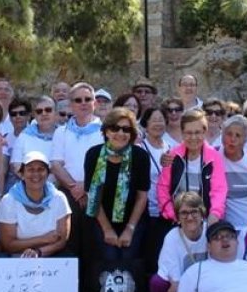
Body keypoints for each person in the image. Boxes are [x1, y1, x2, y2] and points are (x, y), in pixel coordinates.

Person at [85, 107, 151, 259]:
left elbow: (142, 196)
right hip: (100, 218)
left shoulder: (140, 156)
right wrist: (107, 229)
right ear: (106, 131)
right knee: (109, 257)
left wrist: (130, 228)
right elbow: (93, 196)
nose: (120, 133)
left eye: (126, 129)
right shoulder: (93, 154)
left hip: (132, 219)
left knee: (129, 258)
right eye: (115, 128)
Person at [50, 82, 104, 261]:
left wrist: (86, 188)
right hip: (69, 194)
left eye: (87, 99)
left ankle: (91, 287)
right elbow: (56, 164)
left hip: (97, 193)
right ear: (71, 104)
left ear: (94, 103)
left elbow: (105, 164)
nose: (83, 103)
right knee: (70, 243)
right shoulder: (61, 132)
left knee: (94, 244)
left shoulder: (105, 131)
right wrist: (75, 188)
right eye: (78, 100)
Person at [158, 109, 229, 223]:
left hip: (206, 220)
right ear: (182, 133)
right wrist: (173, 215)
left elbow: (219, 190)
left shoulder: (214, 157)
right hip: (176, 220)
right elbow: (163, 188)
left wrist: (214, 215)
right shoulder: (172, 155)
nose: (193, 137)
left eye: (197, 132)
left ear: (204, 133)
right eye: (189, 133)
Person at [0, 151, 72, 256]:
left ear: (48, 174)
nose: (36, 174)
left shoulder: (59, 198)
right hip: (17, 257)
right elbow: (8, 245)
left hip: (50, 255)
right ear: (22, 174)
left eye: (41, 169)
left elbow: (61, 241)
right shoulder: (8, 201)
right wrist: (43, 239)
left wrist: (39, 252)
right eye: (30, 169)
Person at [150, 192, 208, 292]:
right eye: (184, 213)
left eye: (194, 212)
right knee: (157, 283)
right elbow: (171, 269)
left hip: (206, 282)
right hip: (183, 283)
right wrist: (176, 285)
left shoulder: (211, 232)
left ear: (202, 214)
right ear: (177, 217)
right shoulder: (172, 237)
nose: (190, 217)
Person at [138, 106, 172, 277]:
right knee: (149, 252)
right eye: (154, 120)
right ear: (146, 123)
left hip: (167, 210)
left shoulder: (171, 147)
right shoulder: (140, 148)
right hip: (147, 209)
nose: (158, 124)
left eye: (161, 120)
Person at [11, 95, 57, 176]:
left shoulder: (64, 135)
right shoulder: (24, 136)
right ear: (34, 115)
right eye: (39, 111)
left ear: (55, 112)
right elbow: (16, 166)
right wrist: (35, 184)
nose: (44, 114)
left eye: (48, 110)